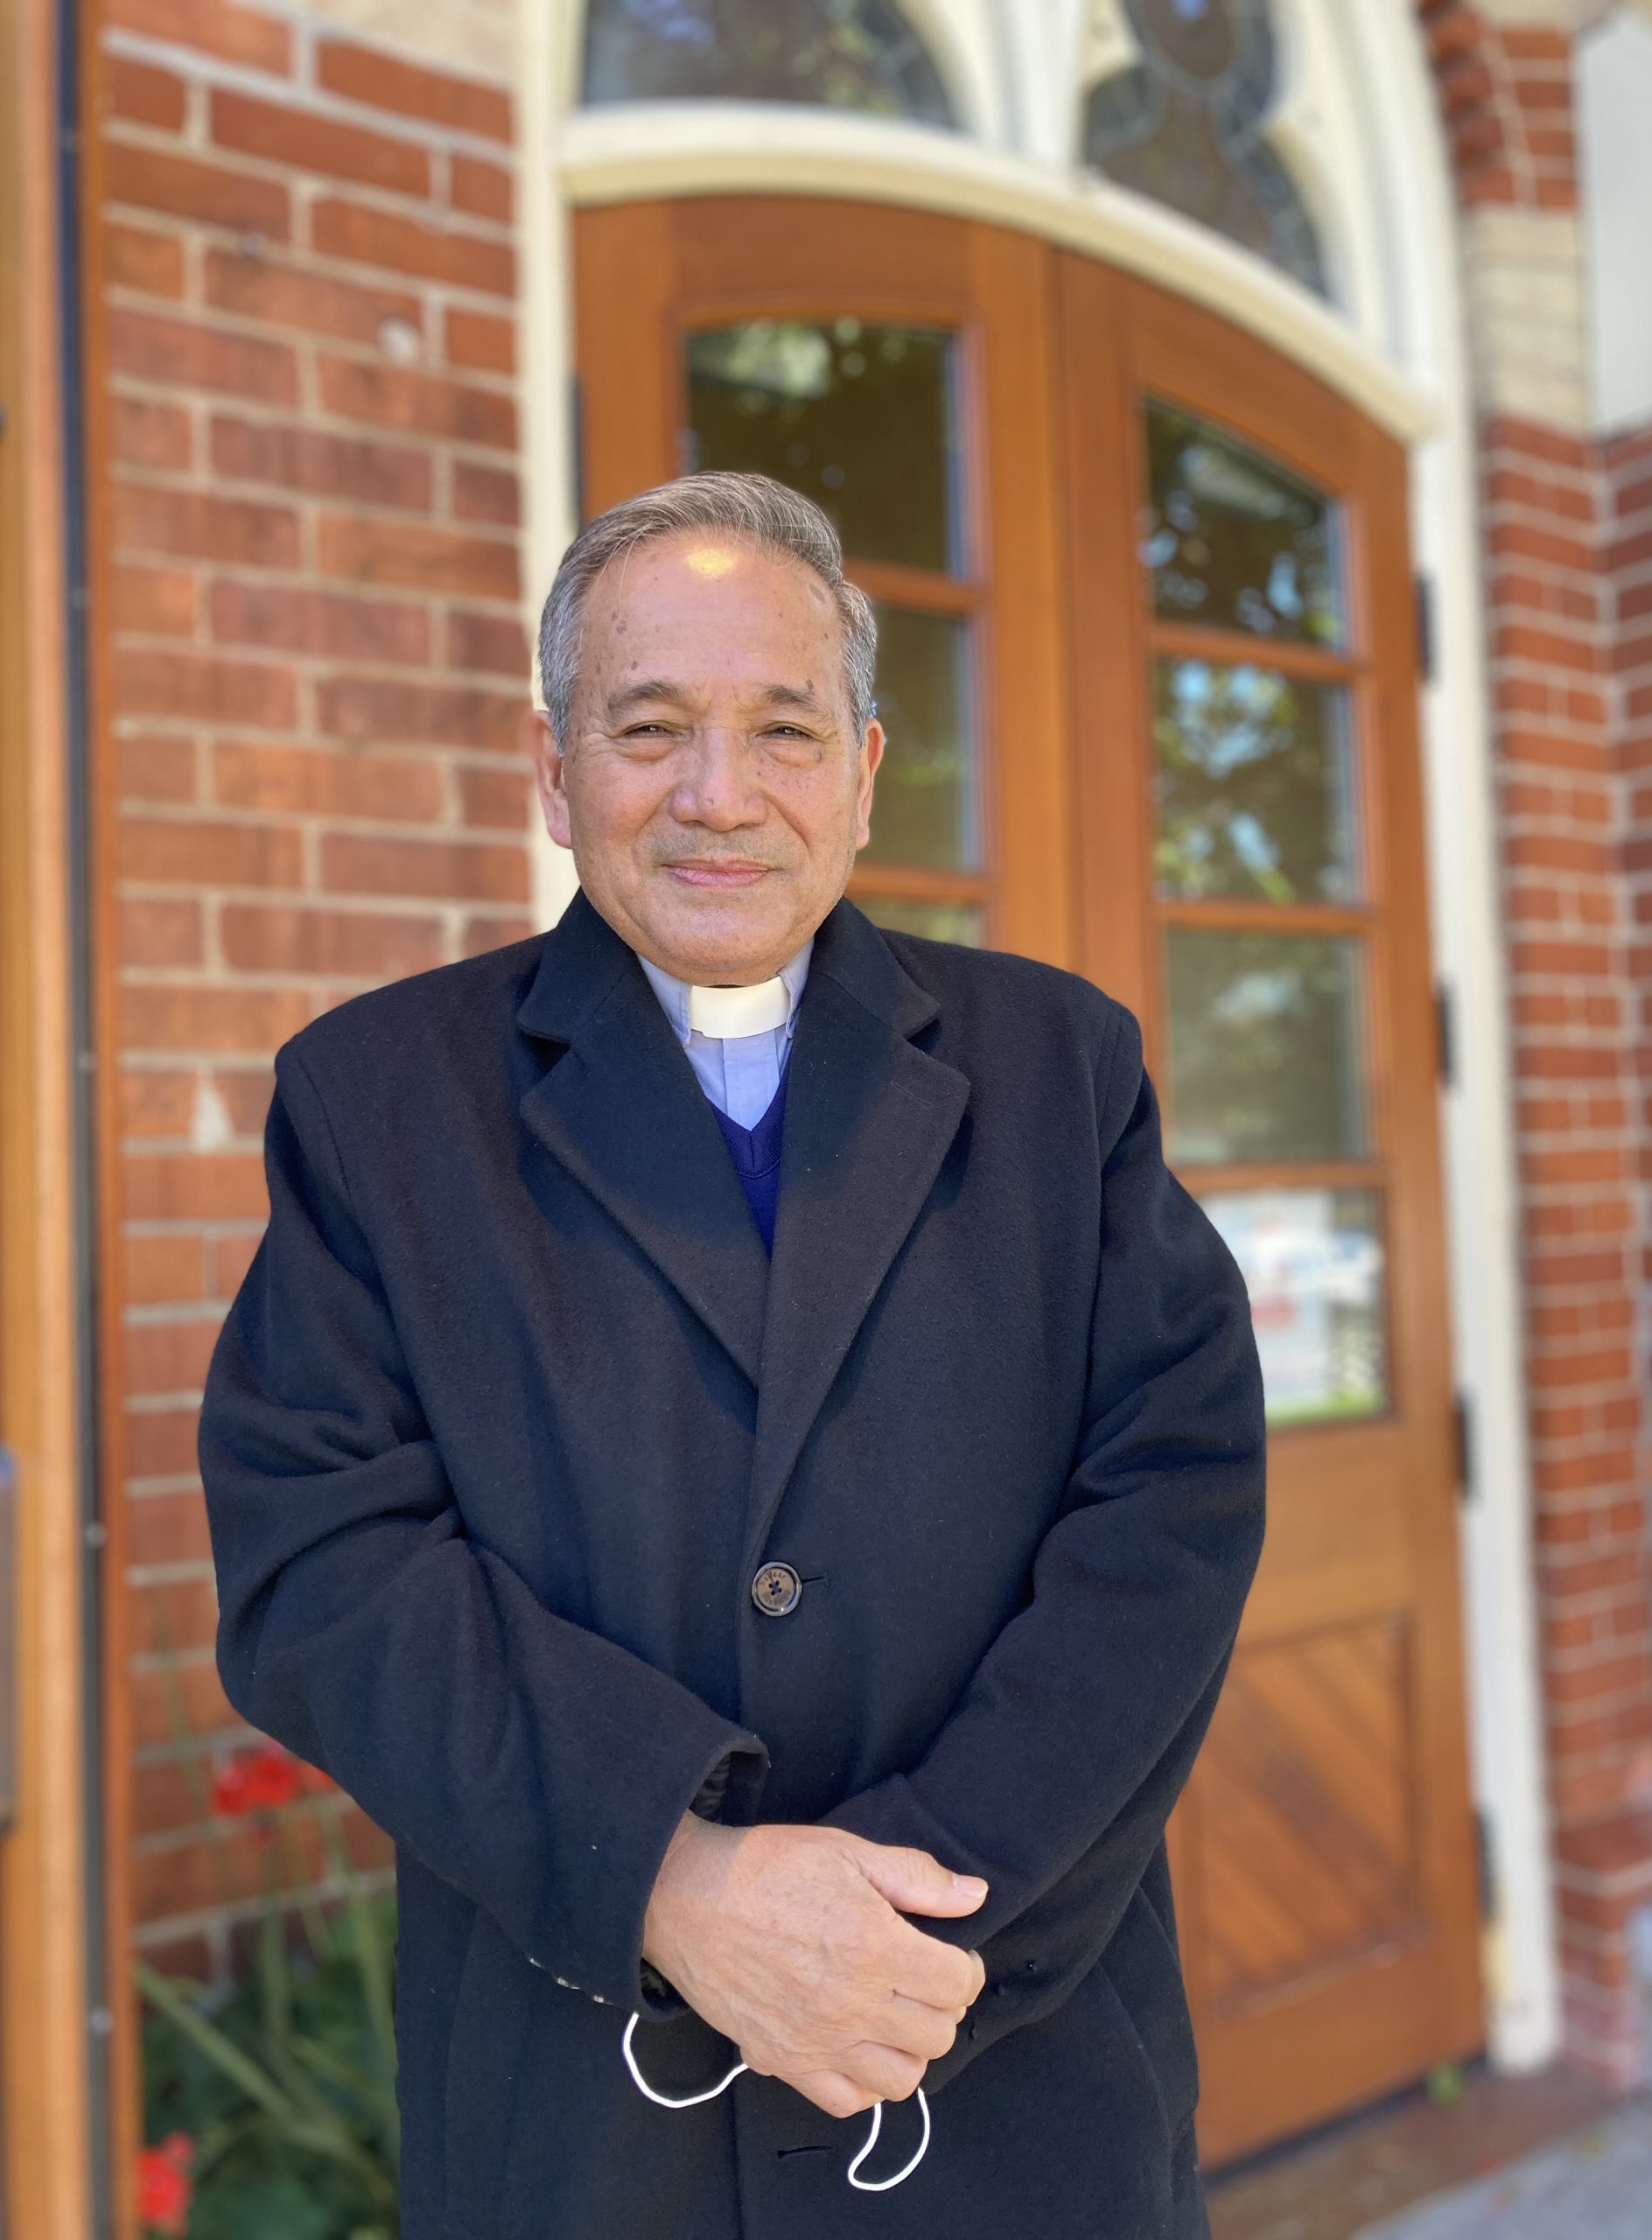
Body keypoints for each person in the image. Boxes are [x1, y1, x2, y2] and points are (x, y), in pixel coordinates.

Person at [198, 470, 1267, 2240]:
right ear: (555, 773)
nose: (719, 792)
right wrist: (668, 1875)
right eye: (649, 728)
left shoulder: (1060, 1070)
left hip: (1005, 2076)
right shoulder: (375, 1104)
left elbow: (1174, 1497)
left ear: (862, 772)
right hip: (591, 2116)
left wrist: (910, 1922)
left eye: (784, 728)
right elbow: (322, 1562)